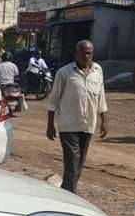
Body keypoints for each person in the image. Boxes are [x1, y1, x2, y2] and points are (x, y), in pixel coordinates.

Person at [46, 40, 108, 193]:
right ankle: (70, 196)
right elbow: (54, 100)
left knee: (79, 163)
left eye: (89, 53)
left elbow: (101, 97)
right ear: (77, 53)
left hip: (88, 125)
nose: (86, 56)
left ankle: (66, 191)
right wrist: (50, 124)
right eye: (83, 52)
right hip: (69, 125)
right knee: (72, 164)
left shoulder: (97, 70)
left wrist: (104, 121)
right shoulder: (65, 73)